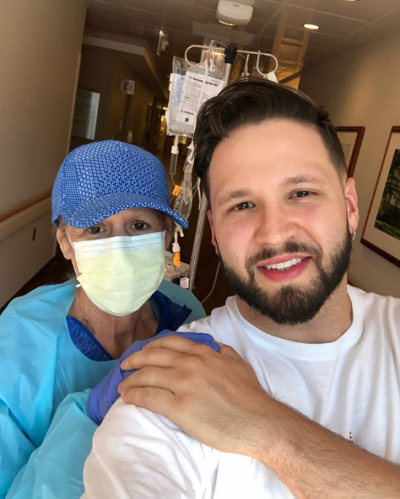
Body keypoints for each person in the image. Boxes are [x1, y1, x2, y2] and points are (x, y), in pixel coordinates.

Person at [81, 80, 400, 499]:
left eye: (301, 193)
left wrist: (268, 427)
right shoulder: (172, 392)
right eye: (242, 205)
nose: (273, 233)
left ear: (350, 206)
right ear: (214, 232)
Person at [0, 140, 207, 498]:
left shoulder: (187, 315)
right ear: (65, 242)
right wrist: (89, 417)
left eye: (139, 226)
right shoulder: (21, 342)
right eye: (96, 230)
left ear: (166, 236)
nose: (120, 250)